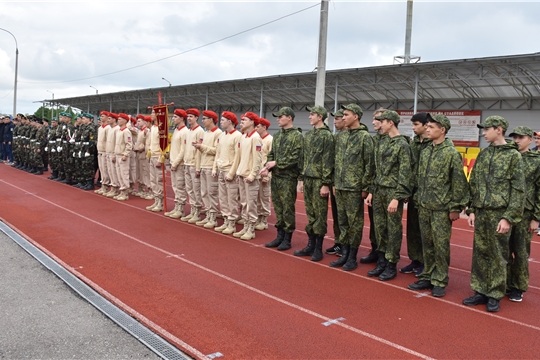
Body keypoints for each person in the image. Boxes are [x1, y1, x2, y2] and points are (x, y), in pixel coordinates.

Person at [463, 116, 525, 313]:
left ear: (499, 129)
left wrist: (508, 217)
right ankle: (480, 289)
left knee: (498, 254)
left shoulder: (513, 156)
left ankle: (495, 293)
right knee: (480, 252)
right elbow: (474, 182)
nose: (483, 133)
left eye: (487, 129)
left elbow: (518, 190)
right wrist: (472, 209)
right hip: (481, 212)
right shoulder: (484, 154)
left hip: (500, 213)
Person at [407, 114, 469, 297]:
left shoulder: (451, 153)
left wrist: (455, 207)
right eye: (427, 126)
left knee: (440, 246)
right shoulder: (426, 151)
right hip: (425, 205)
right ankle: (427, 275)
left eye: (431, 127)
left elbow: (459, 183)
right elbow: (420, 178)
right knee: (427, 244)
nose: (427, 129)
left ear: (442, 130)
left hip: (441, 209)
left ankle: (440, 280)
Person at [366, 110, 412, 281]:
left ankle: (391, 263)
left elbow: (405, 173)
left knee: (393, 229)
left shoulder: (403, 144)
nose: (379, 124)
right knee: (379, 227)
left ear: (391, 122)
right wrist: (371, 190)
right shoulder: (382, 142)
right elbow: (376, 169)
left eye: (382, 121)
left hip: (392, 192)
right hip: (378, 191)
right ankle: (382, 260)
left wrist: (397, 197)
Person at [327, 104, 373, 270]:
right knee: (343, 222)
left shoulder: (365, 137)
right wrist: (334, 183)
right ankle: (344, 253)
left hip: (354, 188)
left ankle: (352, 257)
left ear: (356, 117)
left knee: (354, 223)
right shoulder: (340, 137)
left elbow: (369, 164)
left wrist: (365, 187)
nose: (343, 117)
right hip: (340, 187)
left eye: (346, 115)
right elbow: (335, 161)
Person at [294, 105, 335, 262]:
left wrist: (325, 183)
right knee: (310, 213)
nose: (309, 117)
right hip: (309, 179)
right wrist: (302, 179)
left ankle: (318, 248)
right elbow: (304, 158)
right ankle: (310, 244)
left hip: (319, 181)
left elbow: (328, 160)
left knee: (320, 215)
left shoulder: (327, 136)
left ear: (320, 117)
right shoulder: (309, 135)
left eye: (312, 114)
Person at [260, 107, 303, 250]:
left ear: (289, 117)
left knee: (287, 209)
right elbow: (271, 154)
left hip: (288, 178)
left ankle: (287, 238)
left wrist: (277, 163)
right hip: (277, 176)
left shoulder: (297, 135)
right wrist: (268, 167)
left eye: (281, 117)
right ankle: (280, 236)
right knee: (278, 207)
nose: (278, 119)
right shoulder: (277, 136)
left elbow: (296, 157)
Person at [506, 126, 540, 302]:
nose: (517, 141)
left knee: (520, 251)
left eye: (520, 137)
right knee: (503, 249)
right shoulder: (507, 156)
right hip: (505, 210)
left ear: (530, 140)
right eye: (514, 138)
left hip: (525, 213)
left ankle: (517, 287)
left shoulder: (537, 160)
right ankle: (503, 281)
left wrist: (536, 218)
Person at [401, 112, 432, 276]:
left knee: (425, 231)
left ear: (425, 125)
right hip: (413, 194)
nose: (413, 128)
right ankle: (415, 260)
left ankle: (425, 263)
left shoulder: (432, 144)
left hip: (427, 195)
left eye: (415, 125)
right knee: (412, 228)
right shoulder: (413, 145)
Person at [233, 112, 263, 240]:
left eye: (244, 120)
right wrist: (238, 172)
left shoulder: (255, 137)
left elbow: (258, 160)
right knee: (244, 203)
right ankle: (245, 226)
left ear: (252, 122)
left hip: (250, 177)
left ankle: (251, 229)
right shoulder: (243, 137)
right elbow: (240, 157)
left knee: (251, 204)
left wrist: (253, 175)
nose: (241, 123)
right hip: (242, 174)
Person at [213, 111, 242, 234]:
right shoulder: (221, 136)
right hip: (221, 169)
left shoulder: (237, 136)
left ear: (230, 121)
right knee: (223, 198)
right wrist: (215, 168)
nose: (221, 122)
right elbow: (217, 153)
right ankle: (226, 219)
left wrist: (231, 173)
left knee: (232, 199)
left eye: (223, 120)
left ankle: (232, 222)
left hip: (230, 170)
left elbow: (237, 157)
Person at [193, 110, 222, 228]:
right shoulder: (206, 133)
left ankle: (213, 217)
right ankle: (209, 215)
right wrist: (198, 166)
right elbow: (202, 151)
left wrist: (202, 147)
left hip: (211, 166)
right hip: (204, 166)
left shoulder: (218, 133)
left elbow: (217, 151)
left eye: (205, 118)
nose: (202, 121)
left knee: (212, 193)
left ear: (211, 119)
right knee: (204, 192)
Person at [325, 110, 346, 256]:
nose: (335, 121)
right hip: (335, 183)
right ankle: (338, 242)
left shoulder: (355, 137)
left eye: (338, 118)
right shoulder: (335, 137)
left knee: (346, 218)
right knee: (337, 216)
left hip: (347, 184)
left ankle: (346, 246)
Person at [180, 108, 205, 222]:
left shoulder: (199, 131)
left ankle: (197, 212)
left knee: (196, 189)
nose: (189, 118)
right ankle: (192, 210)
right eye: (188, 116)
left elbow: (200, 151)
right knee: (189, 189)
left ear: (196, 118)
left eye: (191, 116)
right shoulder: (189, 131)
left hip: (194, 164)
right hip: (187, 163)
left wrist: (198, 167)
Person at [165, 109, 190, 218]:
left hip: (179, 164)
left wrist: (175, 163)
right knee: (175, 186)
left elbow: (183, 150)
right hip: (173, 162)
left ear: (181, 118)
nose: (173, 119)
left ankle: (181, 209)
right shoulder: (176, 130)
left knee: (180, 186)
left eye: (175, 117)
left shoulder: (185, 132)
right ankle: (176, 207)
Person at [254, 117, 273, 231]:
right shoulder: (258, 139)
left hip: (265, 173)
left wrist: (268, 175)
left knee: (264, 197)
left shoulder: (270, 140)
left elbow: (271, 158)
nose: (256, 128)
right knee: (256, 197)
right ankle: (258, 217)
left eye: (258, 126)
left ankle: (264, 220)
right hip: (257, 173)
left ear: (264, 127)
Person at [145, 109, 165, 212]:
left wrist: (161, 158)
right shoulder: (153, 127)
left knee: (159, 180)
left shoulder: (162, 128)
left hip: (158, 157)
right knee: (153, 180)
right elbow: (152, 143)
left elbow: (164, 145)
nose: (151, 115)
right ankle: (156, 200)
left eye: (153, 113)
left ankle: (160, 202)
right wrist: (149, 154)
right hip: (152, 156)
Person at [113, 113, 133, 201]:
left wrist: (125, 154)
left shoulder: (126, 131)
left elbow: (129, 144)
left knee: (124, 174)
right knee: (119, 174)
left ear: (125, 120)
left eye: (120, 119)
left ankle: (125, 193)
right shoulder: (119, 130)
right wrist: (114, 154)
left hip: (122, 156)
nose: (118, 120)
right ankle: (122, 190)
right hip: (117, 155)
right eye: (118, 119)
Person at [103, 113, 120, 198]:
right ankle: (112, 188)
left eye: (110, 118)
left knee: (114, 172)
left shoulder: (117, 129)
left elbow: (117, 143)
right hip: (108, 152)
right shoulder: (110, 129)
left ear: (114, 119)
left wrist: (114, 154)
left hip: (113, 153)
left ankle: (115, 188)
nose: (108, 120)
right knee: (110, 171)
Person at [94, 111, 110, 194]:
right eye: (100, 116)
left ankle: (106, 186)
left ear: (107, 117)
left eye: (103, 116)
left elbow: (108, 141)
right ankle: (103, 185)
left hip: (105, 151)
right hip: (99, 150)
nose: (101, 118)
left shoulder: (108, 128)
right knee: (102, 169)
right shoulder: (100, 128)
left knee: (105, 169)